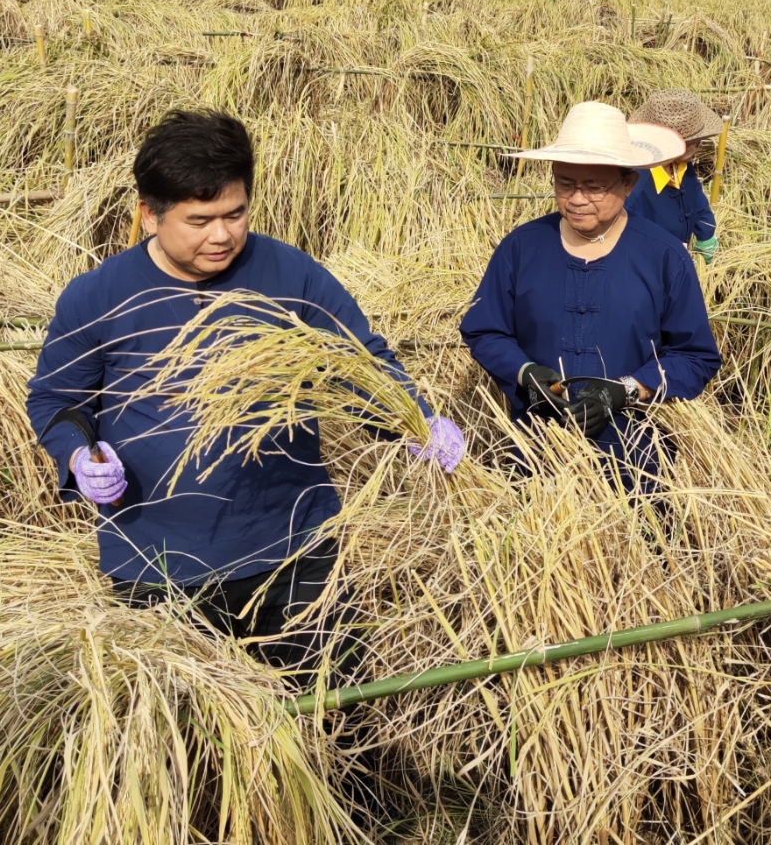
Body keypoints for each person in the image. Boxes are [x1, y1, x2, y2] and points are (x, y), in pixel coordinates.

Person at [27, 110, 463, 672]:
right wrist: (78, 456)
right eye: (200, 219)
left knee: (328, 704)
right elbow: (55, 400)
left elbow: (362, 361)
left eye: (236, 214)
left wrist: (413, 420)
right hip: (156, 562)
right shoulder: (99, 296)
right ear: (149, 215)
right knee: (193, 740)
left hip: (295, 547)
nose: (222, 235)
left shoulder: (291, 275)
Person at [460, 102, 721, 487]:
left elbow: (694, 355)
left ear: (629, 184)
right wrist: (524, 372)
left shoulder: (664, 257)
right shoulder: (521, 248)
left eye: (595, 187)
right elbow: (485, 330)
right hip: (538, 450)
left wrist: (628, 390)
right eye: (565, 183)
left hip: (634, 455)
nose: (577, 198)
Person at [624, 89, 723, 263]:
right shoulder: (634, 193)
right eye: (693, 141)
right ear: (669, 144)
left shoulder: (682, 165)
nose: (699, 145)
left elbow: (697, 198)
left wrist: (706, 234)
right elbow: (633, 254)